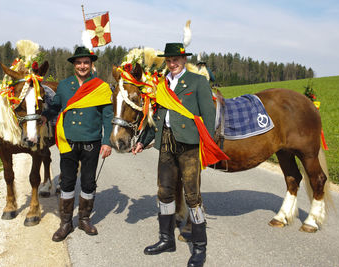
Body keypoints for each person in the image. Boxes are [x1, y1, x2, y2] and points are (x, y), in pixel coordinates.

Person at [132, 43, 216, 267]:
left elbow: (209, 115)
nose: (173, 63)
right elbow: (154, 117)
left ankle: (199, 248)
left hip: (189, 146)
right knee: (164, 193)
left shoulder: (198, 82)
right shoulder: (160, 85)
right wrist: (142, 140)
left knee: (192, 197)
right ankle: (166, 239)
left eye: (176, 59)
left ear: (184, 60)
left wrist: (207, 144)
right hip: (166, 144)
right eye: (169, 60)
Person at [41, 46, 113, 242]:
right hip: (69, 141)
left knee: (89, 182)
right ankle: (65, 223)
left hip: (92, 141)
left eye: (86, 63)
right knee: (67, 182)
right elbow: (55, 106)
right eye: (79, 62)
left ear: (91, 65)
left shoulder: (101, 86)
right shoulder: (64, 86)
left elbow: (108, 116)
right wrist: (44, 117)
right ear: (74, 65)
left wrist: (107, 142)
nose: (83, 66)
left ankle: (84, 219)